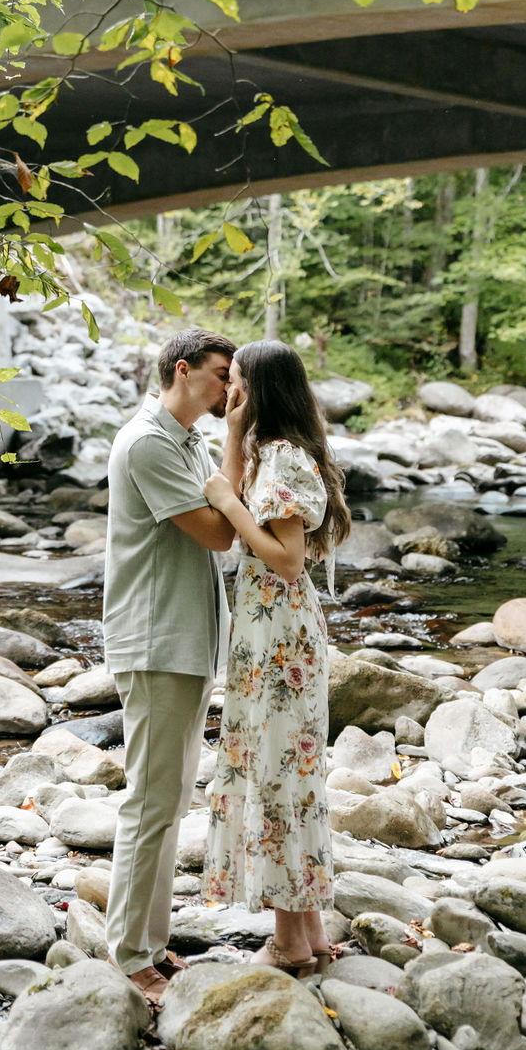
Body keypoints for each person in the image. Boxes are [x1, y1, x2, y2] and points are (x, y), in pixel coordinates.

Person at [200, 339, 352, 975]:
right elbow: (233, 493)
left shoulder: (286, 456)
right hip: (269, 630)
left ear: (258, 386)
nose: (227, 390)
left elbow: (287, 561)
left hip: (281, 632)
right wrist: (234, 434)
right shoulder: (268, 448)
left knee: (280, 773)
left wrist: (228, 503)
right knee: (285, 769)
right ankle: (308, 929)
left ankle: (288, 941)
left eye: (235, 380)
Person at [103, 327, 240, 1003]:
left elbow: (220, 512)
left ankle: (151, 945)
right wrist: (236, 441)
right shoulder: (149, 443)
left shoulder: (187, 441)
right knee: (151, 802)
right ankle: (129, 956)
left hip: (184, 641)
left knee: (170, 799)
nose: (229, 389)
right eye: (220, 375)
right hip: (156, 641)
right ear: (182, 371)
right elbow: (218, 533)